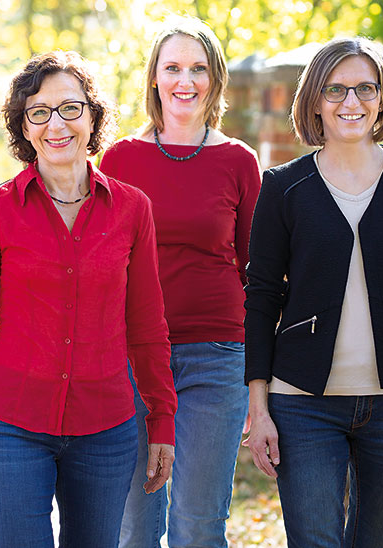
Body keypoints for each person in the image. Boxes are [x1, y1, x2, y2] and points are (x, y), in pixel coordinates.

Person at [0, 50, 177, 548]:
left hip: (106, 428)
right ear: (24, 128)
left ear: (93, 118)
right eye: (39, 112)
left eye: (71, 108)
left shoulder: (133, 210)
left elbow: (148, 324)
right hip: (14, 427)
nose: (56, 124)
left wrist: (162, 420)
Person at [243, 36, 383, 547]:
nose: (351, 102)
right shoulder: (283, 187)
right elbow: (260, 297)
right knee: (315, 540)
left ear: (382, 97)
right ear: (314, 100)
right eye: (336, 89)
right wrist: (259, 409)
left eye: (366, 88)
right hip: (303, 404)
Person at [100, 16, 261, 548]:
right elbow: (104, 262)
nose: (184, 80)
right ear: (154, 78)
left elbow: (254, 270)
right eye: (172, 68)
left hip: (216, 355)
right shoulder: (120, 159)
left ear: (214, 79)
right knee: (134, 525)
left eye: (197, 68)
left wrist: (259, 381)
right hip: (132, 356)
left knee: (197, 524)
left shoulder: (239, 162)